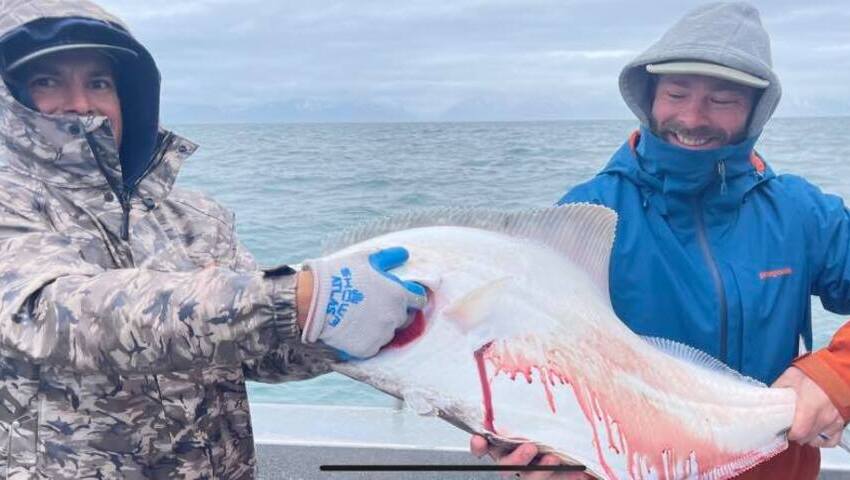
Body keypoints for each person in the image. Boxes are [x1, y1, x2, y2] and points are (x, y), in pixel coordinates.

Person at [0, 1, 426, 478]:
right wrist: (294, 296)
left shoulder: (197, 216)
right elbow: (54, 315)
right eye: (47, 81)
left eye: (99, 82)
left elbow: (260, 352)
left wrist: (346, 329)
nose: (80, 103)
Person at [472, 2, 850, 479]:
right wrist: (525, 437)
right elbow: (525, 349)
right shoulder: (586, 216)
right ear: (647, 96)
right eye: (675, 93)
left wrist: (837, 377)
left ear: (756, 112)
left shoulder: (802, 213)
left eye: (722, 100)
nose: (691, 118)